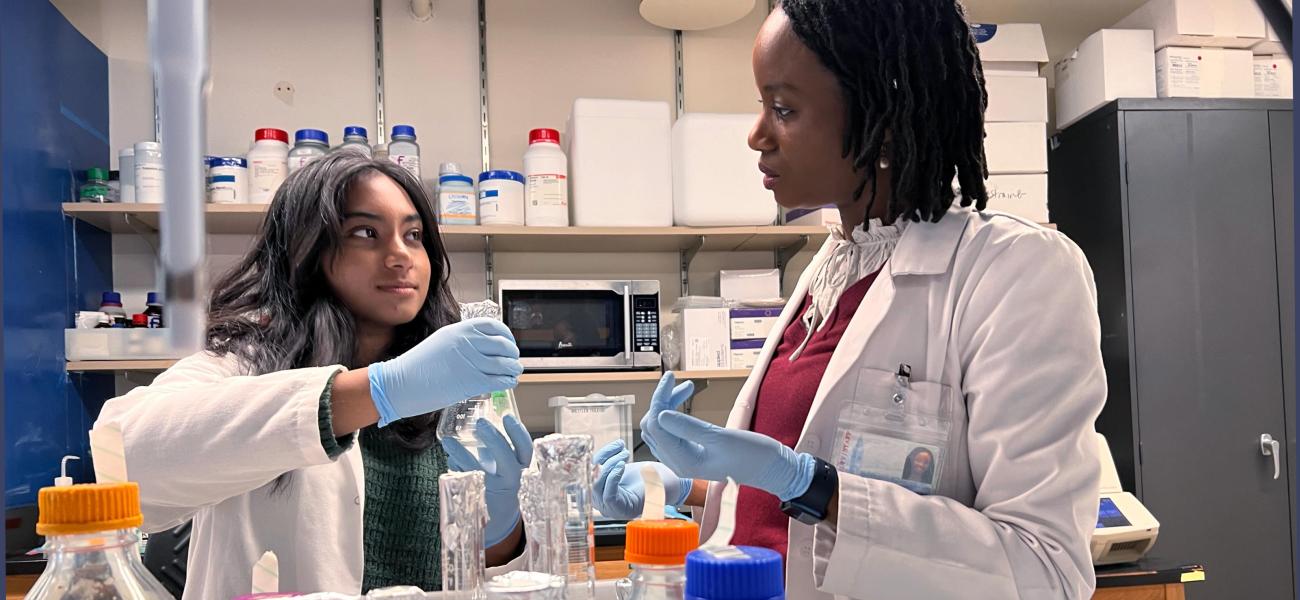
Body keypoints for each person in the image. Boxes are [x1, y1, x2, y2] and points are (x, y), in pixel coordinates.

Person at [592, 1, 1106, 598]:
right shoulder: (831, 268)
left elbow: (1044, 570)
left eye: (783, 108)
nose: (756, 134)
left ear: (881, 123)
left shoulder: (1016, 273)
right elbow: (795, 522)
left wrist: (808, 484)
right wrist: (684, 489)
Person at [95, 153, 531, 599]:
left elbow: (485, 577)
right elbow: (119, 463)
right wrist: (378, 391)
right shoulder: (246, 361)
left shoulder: (454, 387)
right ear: (307, 249)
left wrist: (501, 530)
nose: (401, 255)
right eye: (366, 233)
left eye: (414, 234)